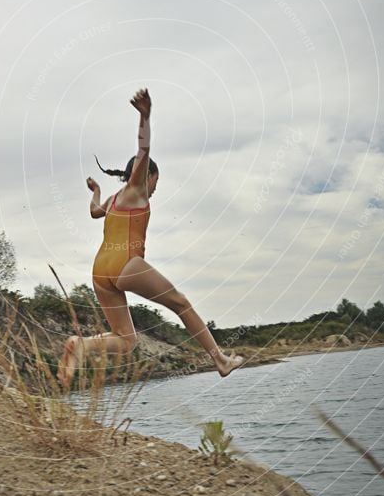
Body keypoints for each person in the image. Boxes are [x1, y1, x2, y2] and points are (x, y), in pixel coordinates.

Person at [57, 88, 244, 387]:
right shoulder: (137, 189)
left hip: (99, 272)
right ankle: (220, 360)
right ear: (148, 176)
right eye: (155, 180)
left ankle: (81, 345)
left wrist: (95, 191)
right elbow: (143, 151)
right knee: (181, 303)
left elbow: (95, 212)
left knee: (126, 340)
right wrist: (145, 116)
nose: (155, 187)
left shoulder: (116, 198)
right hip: (125, 265)